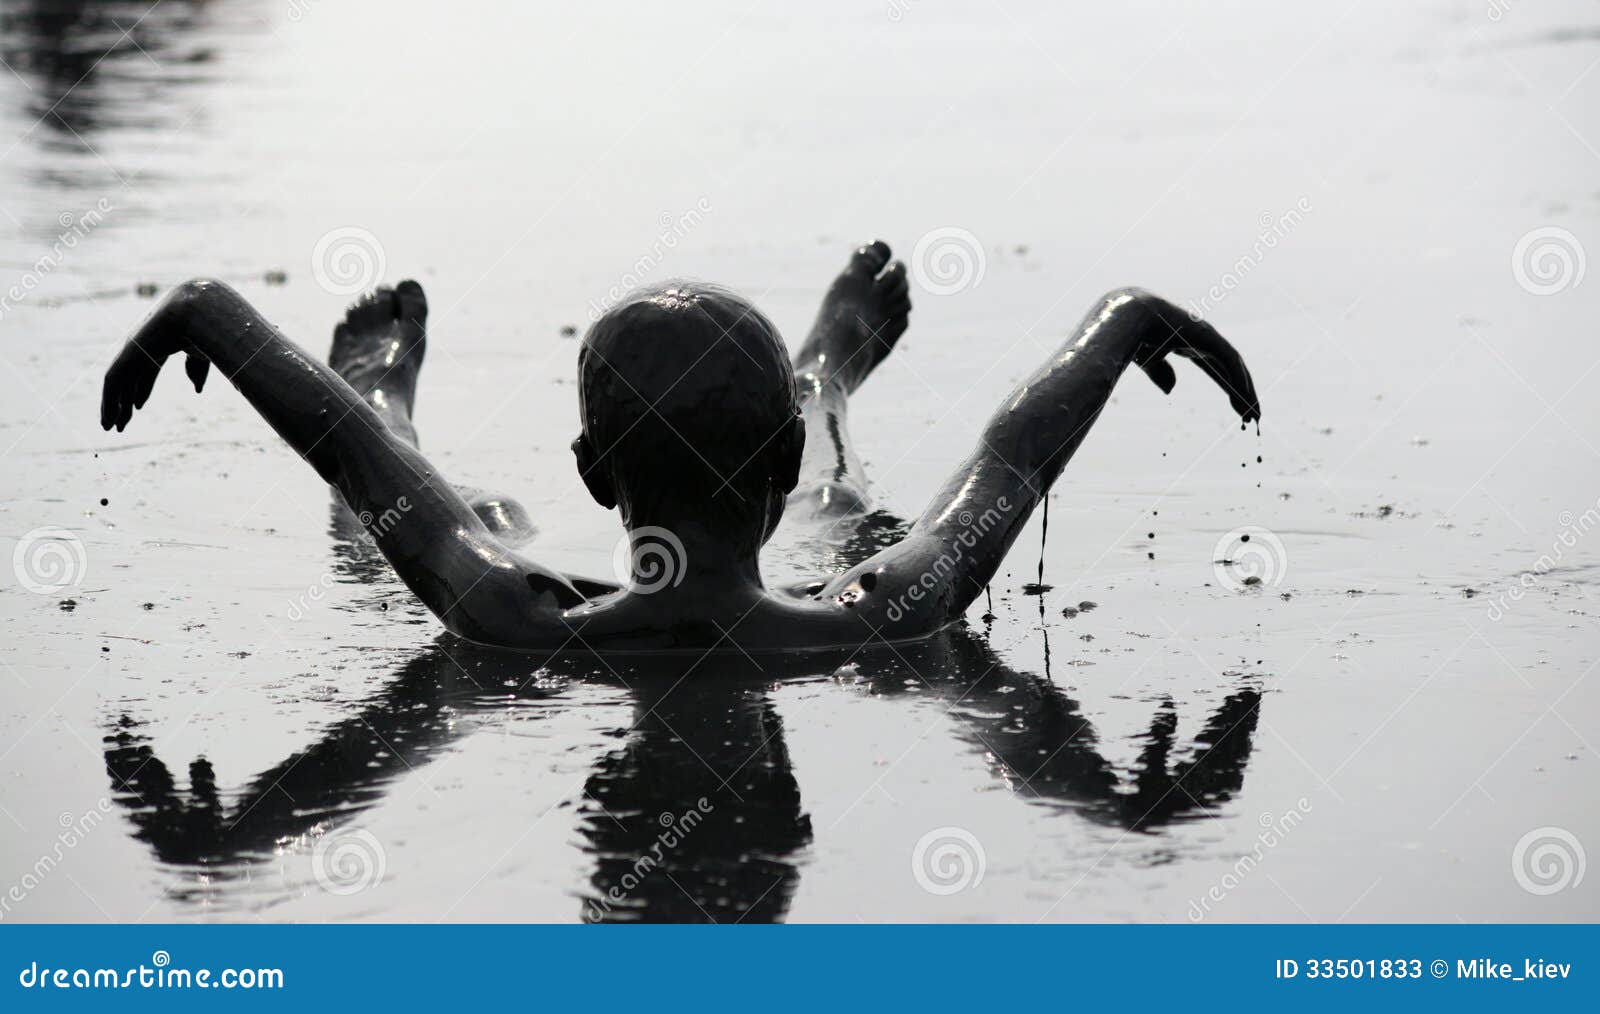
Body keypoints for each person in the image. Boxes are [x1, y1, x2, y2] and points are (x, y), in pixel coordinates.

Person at [100, 242, 1259, 652]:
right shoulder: (884, 617)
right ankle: (820, 387)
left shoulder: (509, 617)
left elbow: (361, 465)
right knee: (839, 512)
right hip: (786, 490)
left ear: (594, 475)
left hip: (582, 534)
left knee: (449, 514)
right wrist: (1118, 322)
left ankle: (819, 378)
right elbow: (1003, 468)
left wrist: (214, 307)